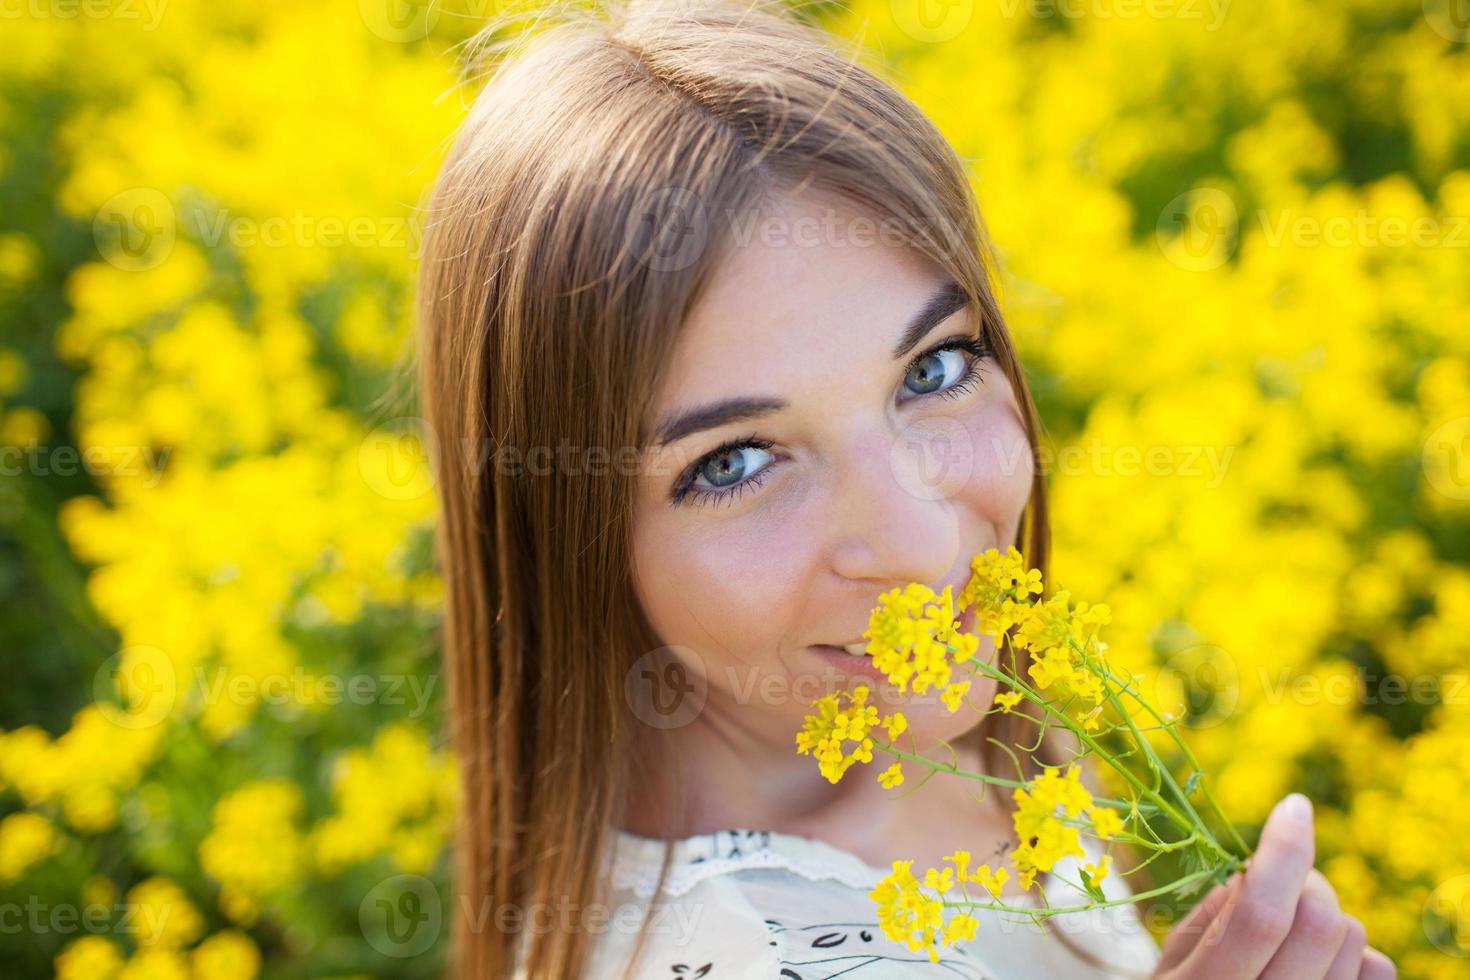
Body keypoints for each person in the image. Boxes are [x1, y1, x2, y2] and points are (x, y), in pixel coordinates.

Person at [413, 0, 1398, 976]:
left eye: (932, 370)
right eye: (735, 461)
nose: (924, 545)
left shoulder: (961, 723)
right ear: (563, 528)